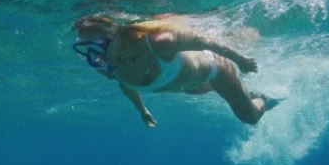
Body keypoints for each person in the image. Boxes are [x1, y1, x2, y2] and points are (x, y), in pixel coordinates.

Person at [71, 13, 278, 127]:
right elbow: (125, 84)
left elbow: (206, 41)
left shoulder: (160, 42)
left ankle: (264, 100)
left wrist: (240, 60)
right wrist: (142, 110)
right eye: (83, 48)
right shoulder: (106, 64)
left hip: (216, 70)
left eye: (96, 45)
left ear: (114, 37)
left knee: (249, 118)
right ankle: (244, 94)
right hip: (191, 86)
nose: (93, 54)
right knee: (196, 89)